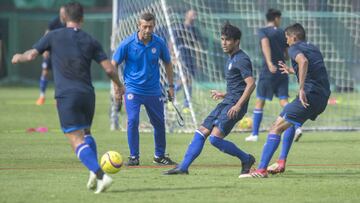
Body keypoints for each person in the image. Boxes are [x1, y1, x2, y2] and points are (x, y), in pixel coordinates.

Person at [12, 2, 124, 193]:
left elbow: (31, 56)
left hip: (66, 95)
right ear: (83, 19)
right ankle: (92, 173)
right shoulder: (90, 40)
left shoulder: (53, 36)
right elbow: (108, 68)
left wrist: (18, 57)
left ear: (64, 18)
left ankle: (101, 175)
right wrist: (119, 85)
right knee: (86, 133)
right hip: (88, 94)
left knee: (75, 139)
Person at [164, 22, 256, 175]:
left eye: (228, 40)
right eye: (222, 39)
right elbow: (239, 86)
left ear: (237, 41)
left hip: (234, 105)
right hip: (227, 101)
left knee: (215, 139)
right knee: (201, 131)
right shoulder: (231, 58)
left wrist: (238, 105)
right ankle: (183, 167)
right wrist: (224, 94)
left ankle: (246, 158)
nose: (224, 43)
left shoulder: (241, 59)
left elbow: (251, 84)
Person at [240, 23, 331, 178]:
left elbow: (304, 62)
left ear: (293, 37)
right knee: (289, 122)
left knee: (275, 127)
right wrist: (292, 70)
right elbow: (313, 68)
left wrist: (301, 88)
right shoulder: (313, 48)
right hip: (322, 97)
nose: (286, 42)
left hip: (309, 94)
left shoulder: (294, 47)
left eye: (287, 38)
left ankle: (261, 170)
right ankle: (281, 162)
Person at [111, 12, 177, 166]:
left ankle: (159, 156)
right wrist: (117, 87)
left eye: (151, 26)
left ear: (154, 26)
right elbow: (113, 64)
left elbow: (168, 63)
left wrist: (171, 86)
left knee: (159, 122)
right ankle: (134, 157)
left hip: (154, 90)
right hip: (133, 90)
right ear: (138, 26)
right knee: (133, 120)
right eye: (145, 26)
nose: (148, 30)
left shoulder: (159, 43)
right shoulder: (127, 44)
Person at [245, 9, 302, 142]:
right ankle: (297, 126)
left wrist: (270, 62)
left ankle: (254, 134)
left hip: (268, 71)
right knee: (283, 101)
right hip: (282, 69)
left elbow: (265, 45)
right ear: (276, 18)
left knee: (260, 102)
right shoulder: (283, 33)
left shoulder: (263, 31)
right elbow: (287, 52)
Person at [172, 9, 203, 112]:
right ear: (186, 15)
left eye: (195, 15)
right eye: (192, 15)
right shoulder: (179, 27)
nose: (194, 17)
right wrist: (173, 57)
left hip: (191, 58)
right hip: (181, 56)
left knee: (189, 81)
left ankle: (186, 104)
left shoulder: (195, 30)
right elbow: (171, 43)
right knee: (184, 79)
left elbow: (198, 46)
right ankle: (170, 94)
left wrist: (198, 61)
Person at [36, 6, 67, 105]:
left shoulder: (69, 23)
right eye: (61, 12)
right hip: (50, 51)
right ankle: (42, 96)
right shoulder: (54, 22)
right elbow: (46, 35)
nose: (63, 14)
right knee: (45, 72)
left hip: (62, 54)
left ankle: (58, 98)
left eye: (64, 12)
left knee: (61, 75)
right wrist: (45, 49)